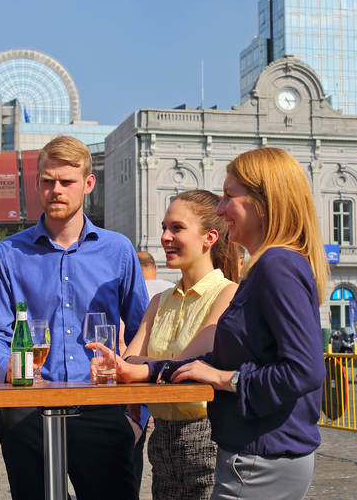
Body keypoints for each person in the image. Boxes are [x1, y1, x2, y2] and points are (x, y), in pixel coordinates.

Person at [90, 147, 328, 500]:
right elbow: (209, 362)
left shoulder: (276, 265)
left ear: (262, 202)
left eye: (229, 197)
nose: (221, 209)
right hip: (251, 451)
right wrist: (157, 371)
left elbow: (304, 370)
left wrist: (223, 379)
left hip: (261, 454)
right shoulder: (265, 267)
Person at [0, 135, 149, 500]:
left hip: (103, 410)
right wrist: (6, 367)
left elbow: (142, 333)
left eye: (66, 182)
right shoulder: (8, 253)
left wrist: (138, 416)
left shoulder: (118, 250)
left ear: (88, 184)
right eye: (47, 181)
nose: (55, 190)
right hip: (26, 412)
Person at [125, 190, 238, 500]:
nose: (165, 237)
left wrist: (141, 365)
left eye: (177, 228)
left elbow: (184, 367)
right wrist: (138, 365)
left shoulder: (228, 294)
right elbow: (127, 360)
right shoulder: (159, 301)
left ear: (209, 237)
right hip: (162, 438)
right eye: (164, 227)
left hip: (206, 436)